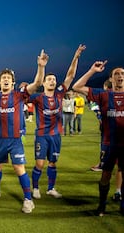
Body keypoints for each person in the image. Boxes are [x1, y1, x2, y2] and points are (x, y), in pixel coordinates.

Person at [0, 50, 48, 213]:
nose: (5, 79)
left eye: (8, 78)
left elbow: (37, 83)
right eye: (3, 78)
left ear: (13, 82)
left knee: (19, 168)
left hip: (14, 140)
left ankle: (28, 199)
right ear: (0, 82)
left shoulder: (19, 95)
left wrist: (41, 67)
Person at [30, 44, 85, 200]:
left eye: (54, 79)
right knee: (40, 164)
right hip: (42, 135)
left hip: (56, 135)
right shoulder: (38, 97)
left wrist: (76, 56)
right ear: (45, 83)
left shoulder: (60, 94)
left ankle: (51, 188)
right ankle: (35, 188)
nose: (53, 81)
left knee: (52, 163)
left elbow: (70, 75)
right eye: (49, 79)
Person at [72, 61, 124, 216]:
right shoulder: (103, 95)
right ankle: (102, 205)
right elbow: (77, 87)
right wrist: (92, 70)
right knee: (105, 175)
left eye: (122, 73)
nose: (120, 76)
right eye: (116, 73)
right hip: (109, 144)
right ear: (111, 79)